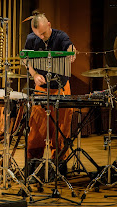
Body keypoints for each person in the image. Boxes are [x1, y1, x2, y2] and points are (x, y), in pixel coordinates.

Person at [24, 11, 76, 176]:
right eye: (38, 35)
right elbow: (25, 59)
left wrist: (72, 51)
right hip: (41, 89)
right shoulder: (32, 39)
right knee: (37, 129)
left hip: (61, 88)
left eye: (44, 34)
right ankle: (34, 165)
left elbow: (70, 46)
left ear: (49, 25)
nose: (42, 37)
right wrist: (34, 75)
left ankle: (59, 166)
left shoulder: (61, 36)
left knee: (61, 128)